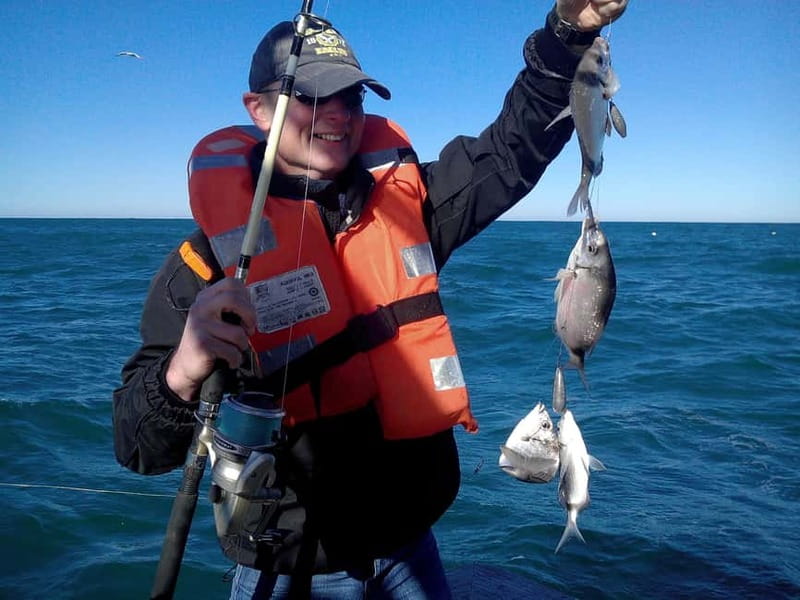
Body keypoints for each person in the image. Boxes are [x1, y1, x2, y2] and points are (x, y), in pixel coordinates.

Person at [113, 1, 628, 598]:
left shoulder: (412, 205)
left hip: (409, 546)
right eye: (310, 96)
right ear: (258, 109)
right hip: (288, 567)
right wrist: (181, 372)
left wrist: (569, 35)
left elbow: (512, 149)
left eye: (351, 97)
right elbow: (137, 445)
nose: (336, 113)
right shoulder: (205, 266)